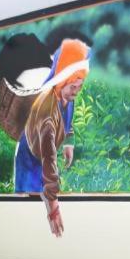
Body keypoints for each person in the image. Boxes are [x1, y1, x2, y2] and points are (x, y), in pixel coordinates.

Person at [13, 39, 90, 238]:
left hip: (44, 153)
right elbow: (48, 160)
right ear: (61, 81)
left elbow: (66, 120)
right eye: (73, 87)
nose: (76, 92)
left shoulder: (66, 95)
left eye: (79, 86)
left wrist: (68, 142)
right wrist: (54, 209)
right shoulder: (47, 114)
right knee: (28, 217)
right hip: (31, 160)